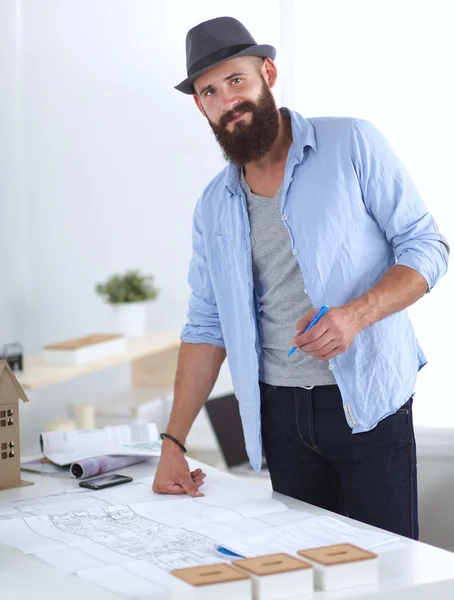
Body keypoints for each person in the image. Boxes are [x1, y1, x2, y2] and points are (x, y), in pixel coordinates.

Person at [153, 16, 450, 539]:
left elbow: (426, 246)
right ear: (200, 105)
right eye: (211, 91)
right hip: (279, 416)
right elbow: (205, 326)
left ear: (267, 71)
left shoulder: (351, 142)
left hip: (367, 403)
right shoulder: (212, 207)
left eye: (237, 80)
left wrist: (355, 316)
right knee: (302, 574)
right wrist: (173, 445)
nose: (228, 100)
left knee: (388, 575)